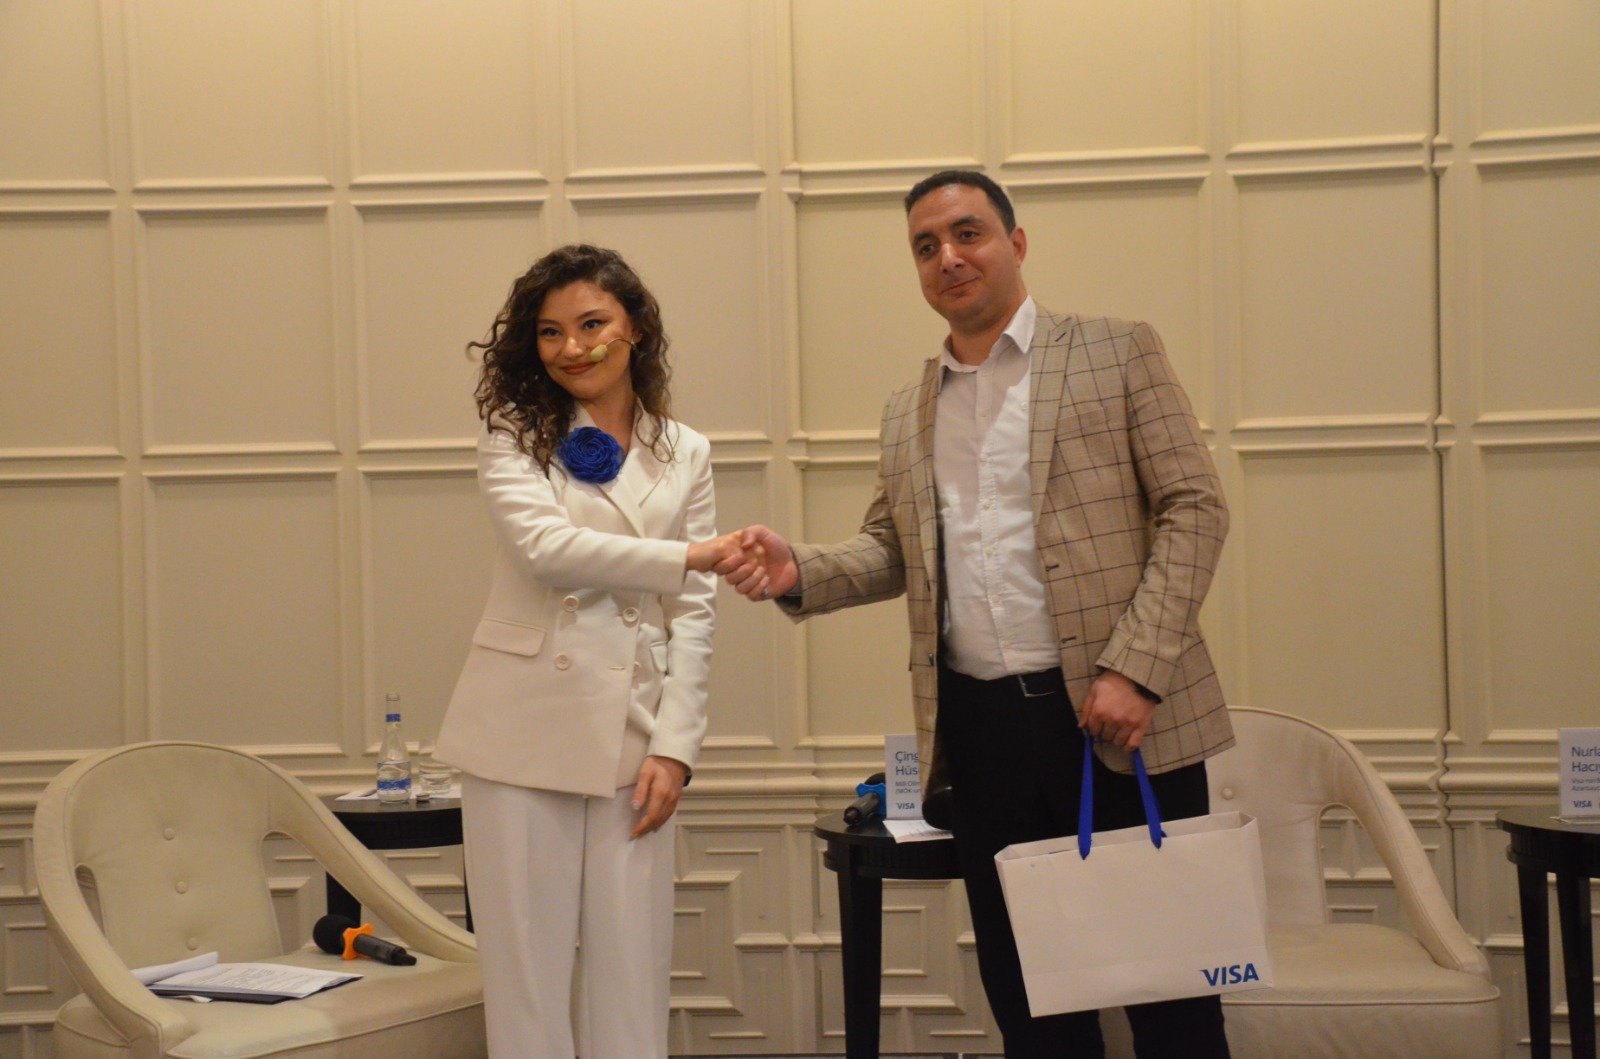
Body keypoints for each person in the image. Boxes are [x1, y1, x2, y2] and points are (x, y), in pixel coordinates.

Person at [718, 171, 1236, 1058]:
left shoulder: (1118, 351)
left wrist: (1136, 669)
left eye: (967, 234)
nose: (948, 258)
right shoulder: (907, 411)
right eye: (926, 247)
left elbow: (1196, 508)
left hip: (1122, 721)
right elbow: (894, 550)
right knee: (1035, 1005)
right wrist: (800, 568)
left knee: (1172, 1004)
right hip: (983, 736)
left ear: (1015, 242)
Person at [434, 244, 743, 1059]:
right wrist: (687, 555)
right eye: (549, 331)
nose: (571, 347)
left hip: (634, 735)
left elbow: (695, 613)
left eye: (592, 324)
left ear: (634, 327)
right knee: (527, 985)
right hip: (519, 734)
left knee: (632, 979)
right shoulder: (514, 433)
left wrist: (676, 747)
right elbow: (546, 551)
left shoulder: (686, 449)